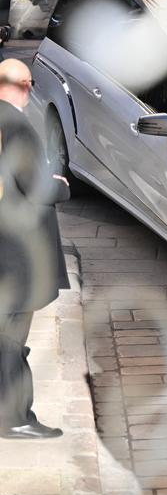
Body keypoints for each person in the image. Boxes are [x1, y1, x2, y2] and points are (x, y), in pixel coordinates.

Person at [0, 59, 71, 440]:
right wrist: (60, 184)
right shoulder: (16, 125)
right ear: (20, 85)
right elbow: (36, 186)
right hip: (17, 255)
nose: (30, 91)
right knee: (11, 342)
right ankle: (15, 419)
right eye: (28, 84)